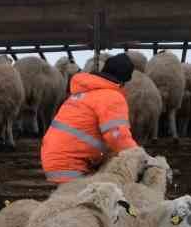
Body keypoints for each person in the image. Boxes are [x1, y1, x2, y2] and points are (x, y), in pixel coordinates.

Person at [41, 52, 139, 183]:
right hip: (71, 163)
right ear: (123, 81)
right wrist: (139, 157)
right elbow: (117, 136)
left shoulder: (84, 93)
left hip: (54, 157)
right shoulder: (111, 96)